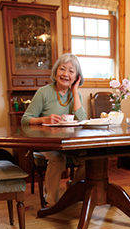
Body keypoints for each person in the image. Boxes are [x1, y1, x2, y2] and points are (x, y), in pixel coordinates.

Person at [21, 53, 87, 206]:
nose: (65, 74)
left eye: (71, 71)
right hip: (46, 144)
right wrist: (43, 119)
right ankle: (51, 201)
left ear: (77, 76)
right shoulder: (44, 92)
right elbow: (25, 120)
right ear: (56, 71)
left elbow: (82, 120)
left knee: (89, 159)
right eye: (62, 69)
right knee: (58, 158)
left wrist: (75, 91)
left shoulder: (76, 95)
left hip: (70, 143)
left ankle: (74, 188)